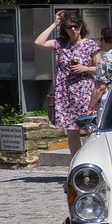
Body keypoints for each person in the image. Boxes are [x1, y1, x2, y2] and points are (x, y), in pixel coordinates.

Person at [35, 10, 99, 156]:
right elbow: (39, 42)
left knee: (90, 129)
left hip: (84, 92)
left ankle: (92, 161)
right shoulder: (61, 44)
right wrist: (55, 23)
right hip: (65, 93)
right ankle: (76, 164)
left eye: (75, 26)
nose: (73, 30)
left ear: (81, 26)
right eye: (69, 27)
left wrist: (85, 68)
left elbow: (100, 69)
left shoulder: (90, 45)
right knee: (72, 131)